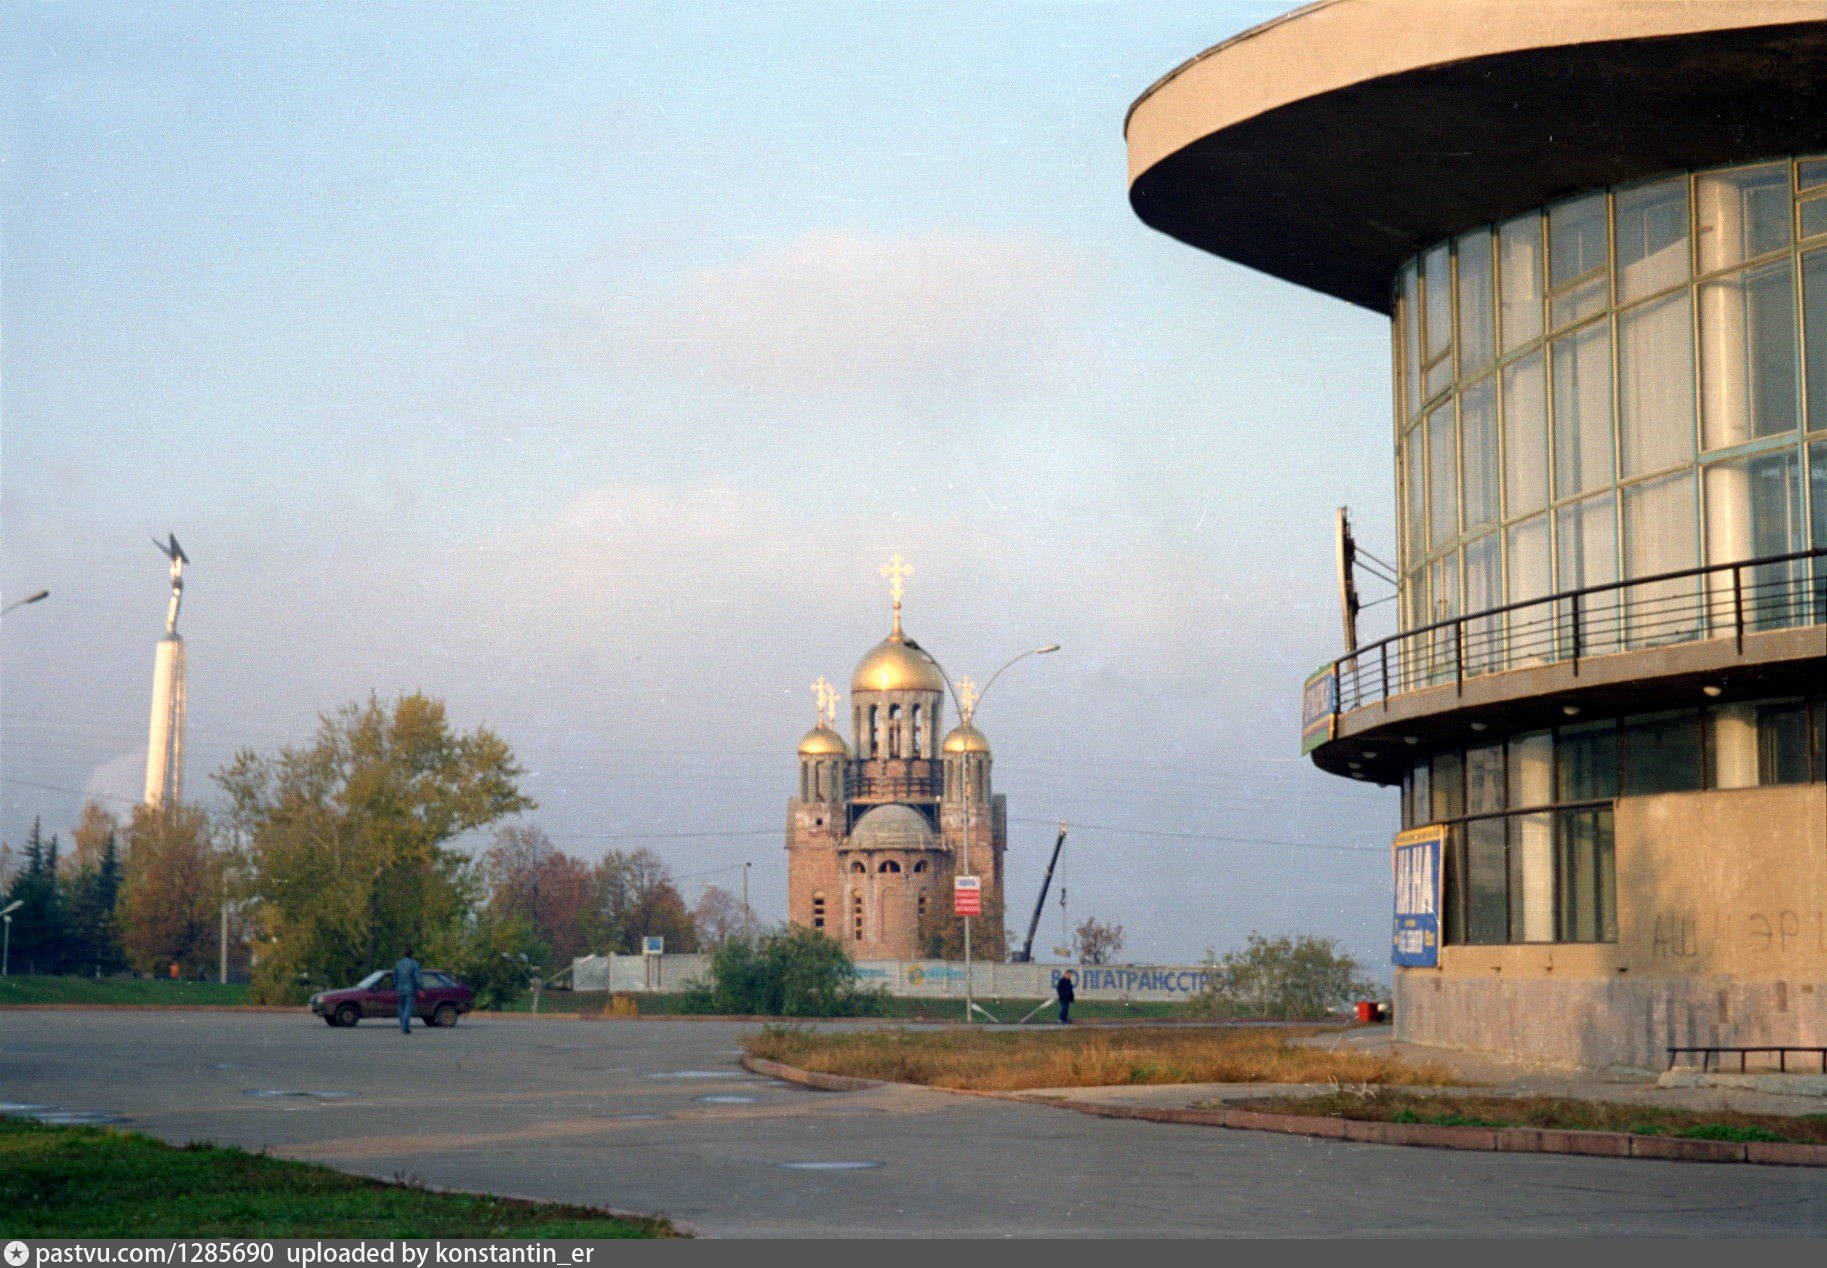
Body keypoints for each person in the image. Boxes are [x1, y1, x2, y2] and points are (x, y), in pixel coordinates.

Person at [393, 949, 422, 1035]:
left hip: (399, 989)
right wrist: (421, 988)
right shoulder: (414, 964)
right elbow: (418, 978)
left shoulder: (398, 964)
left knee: (401, 1008)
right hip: (410, 989)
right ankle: (405, 1027)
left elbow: (394, 977)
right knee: (408, 1009)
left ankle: (404, 1026)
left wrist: (397, 985)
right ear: (411, 955)